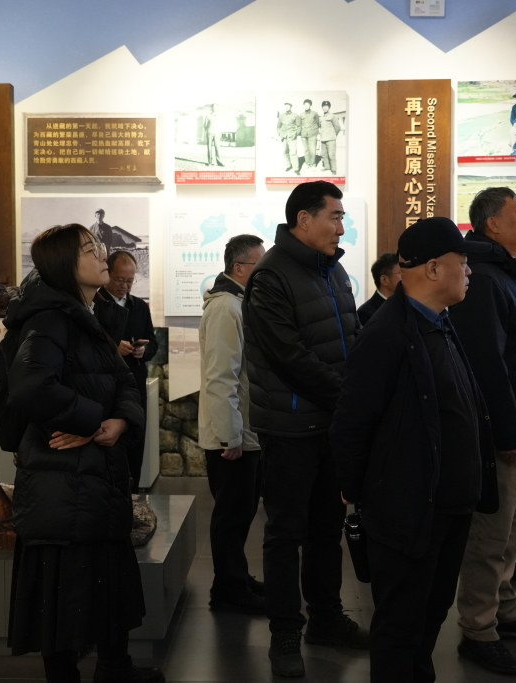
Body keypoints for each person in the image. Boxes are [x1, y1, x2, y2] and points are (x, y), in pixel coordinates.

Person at [331, 217, 497, 683]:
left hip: (450, 504)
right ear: (433, 268)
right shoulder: (386, 334)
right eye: (463, 262)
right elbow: (352, 422)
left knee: (430, 616)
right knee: (401, 623)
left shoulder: (441, 322)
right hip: (408, 508)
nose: (469, 271)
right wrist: (358, 491)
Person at [0, 224, 163, 683]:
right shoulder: (50, 319)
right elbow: (31, 389)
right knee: (64, 589)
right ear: (64, 266)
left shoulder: (89, 315)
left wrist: (119, 421)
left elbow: (124, 379)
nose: (103, 256)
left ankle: (115, 668)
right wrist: (91, 422)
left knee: (105, 578)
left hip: (93, 476)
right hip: (62, 481)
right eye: (91, 250)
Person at [242, 180, 365, 677]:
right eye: (334, 217)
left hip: (330, 424)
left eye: (342, 218)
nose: (341, 227)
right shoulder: (271, 276)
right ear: (303, 219)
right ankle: (285, 634)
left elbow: (351, 338)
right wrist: (350, 396)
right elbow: (288, 356)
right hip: (291, 426)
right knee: (285, 534)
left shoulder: (333, 271)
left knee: (326, 530)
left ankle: (327, 619)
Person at [447, 187, 516, 676]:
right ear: (492, 224)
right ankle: (478, 629)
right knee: (490, 537)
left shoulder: (510, 275)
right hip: (508, 433)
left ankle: (505, 611)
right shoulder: (486, 278)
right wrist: (507, 432)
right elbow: (487, 364)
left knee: (515, 530)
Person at [198, 233, 267, 615]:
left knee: (240, 513)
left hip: (243, 430)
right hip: (232, 436)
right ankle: (228, 591)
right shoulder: (226, 307)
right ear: (240, 268)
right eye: (260, 264)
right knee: (231, 516)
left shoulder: (237, 303)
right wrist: (230, 435)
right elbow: (222, 377)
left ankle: (235, 579)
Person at [96, 250, 157, 492]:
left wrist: (144, 351)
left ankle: (133, 497)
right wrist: (113, 347)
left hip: (135, 384)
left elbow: (153, 342)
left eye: (130, 281)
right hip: (105, 388)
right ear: (107, 274)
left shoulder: (139, 306)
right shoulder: (95, 304)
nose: (125, 286)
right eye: (120, 279)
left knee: (135, 444)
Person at [357, 252, 400, 325]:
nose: (407, 278)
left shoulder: (404, 305)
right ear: (384, 280)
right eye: (401, 273)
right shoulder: (365, 313)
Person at [277, 103, 301, 175]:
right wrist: (280, 133)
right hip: (284, 137)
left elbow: (299, 127)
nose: (287, 107)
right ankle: (289, 166)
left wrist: (295, 134)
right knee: (285, 152)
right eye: (286, 106)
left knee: (293, 152)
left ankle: (296, 169)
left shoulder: (295, 115)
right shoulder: (281, 116)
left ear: (290, 107)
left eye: (288, 106)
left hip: (292, 136)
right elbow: (278, 127)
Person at [319, 100, 342, 175]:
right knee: (324, 154)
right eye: (324, 106)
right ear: (322, 107)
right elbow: (321, 127)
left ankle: (334, 170)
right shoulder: (321, 118)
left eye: (327, 106)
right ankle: (327, 167)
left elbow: (337, 128)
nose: (325, 108)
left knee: (331, 155)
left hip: (331, 140)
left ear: (329, 107)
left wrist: (333, 135)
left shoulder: (332, 116)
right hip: (323, 139)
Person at [298, 99, 320, 171]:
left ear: (310, 105)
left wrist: (315, 131)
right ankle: (308, 163)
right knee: (306, 150)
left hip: (312, 134)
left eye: (307, 104)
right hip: (304, 135)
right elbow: (299, 125)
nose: (306, 106)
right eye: (305, 104)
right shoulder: (301, 115)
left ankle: (313, 164)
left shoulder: (315, 113)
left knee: (312, 150)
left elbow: (318, 123)